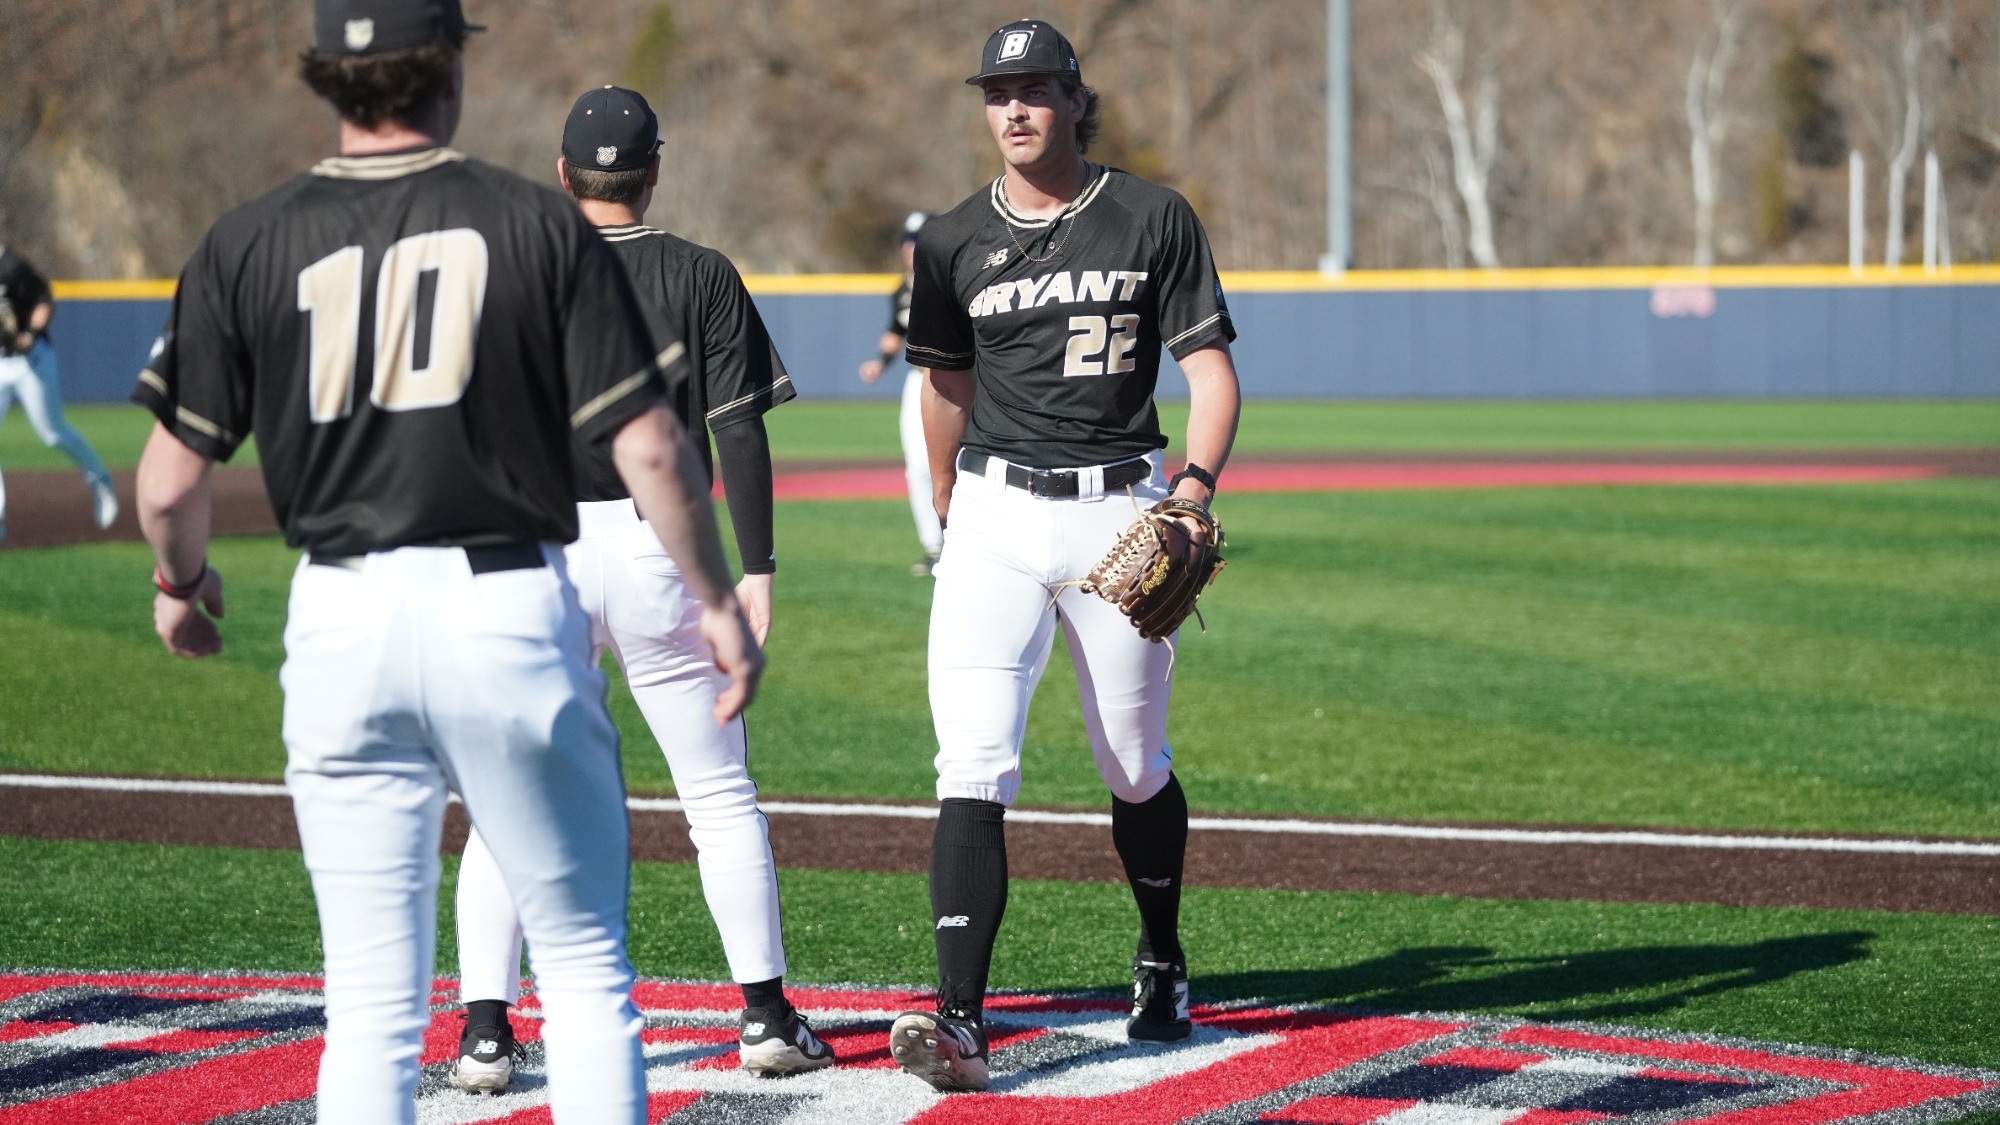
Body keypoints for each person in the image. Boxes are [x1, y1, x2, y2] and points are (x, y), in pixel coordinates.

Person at [130, 4, 762, 1122]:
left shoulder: (248, 237)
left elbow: (170, 483)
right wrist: (715, 594)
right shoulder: (532, 222)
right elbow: (655, 443)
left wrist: (180, 589)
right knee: (581, 972)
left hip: (340, 610)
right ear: (450, 72)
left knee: (369, 1002)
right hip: (504, 602)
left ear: (326, 77)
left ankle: (467, 1029)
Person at [446, 84, 829, 1094]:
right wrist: (755, 570)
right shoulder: (698, 272)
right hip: (663, 550)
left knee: (506, 798)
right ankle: (763, 1017)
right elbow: (738, 428)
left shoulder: (511, 271)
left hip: (537, 553)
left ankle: (486, 1032)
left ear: (564, 174)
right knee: (716, 793)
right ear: (653, 168)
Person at [885, 19, 1242, 1094]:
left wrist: (1190, 490)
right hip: (995, 517)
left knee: (1132, 761)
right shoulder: (950, 239)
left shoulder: (1149, 215)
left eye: (1035, 88)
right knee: (971, 763)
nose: (1015, 109)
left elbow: (1211, 375)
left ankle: (1160, 956)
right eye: (997, 92)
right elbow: (943, 387)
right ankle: (959, 1021)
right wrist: (950, 508)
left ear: (1076, 99)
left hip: (1116, 511)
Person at [0, 243, 119, 542]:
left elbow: (44, 302)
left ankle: (100, 479)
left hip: (31, 361)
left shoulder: (13, 267)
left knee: (53, 433)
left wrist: (30, 334)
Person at [858, 211, 944, 576]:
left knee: (958, 464)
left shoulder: (951, 279)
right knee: (918, 467)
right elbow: (897, 328)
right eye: (908, 242)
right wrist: (880, 361)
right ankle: (935, 546)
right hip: (917, 380)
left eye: (918, 241)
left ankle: (964, 541)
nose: (911, 249)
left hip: (955, 382)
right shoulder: (903, 288)